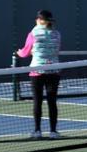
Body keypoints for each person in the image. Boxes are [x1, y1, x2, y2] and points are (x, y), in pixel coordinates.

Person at [15, 9, 62, 139]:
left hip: (37, 72)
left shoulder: (33, 33)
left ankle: (37, 131)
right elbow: (55, 51)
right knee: (52, 102)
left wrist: (17, 52)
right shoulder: (57, 34)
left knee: (37, 102)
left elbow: (24, 52)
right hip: (54, 71)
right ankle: (53, 132)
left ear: (40, 20)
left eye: (37, 18)